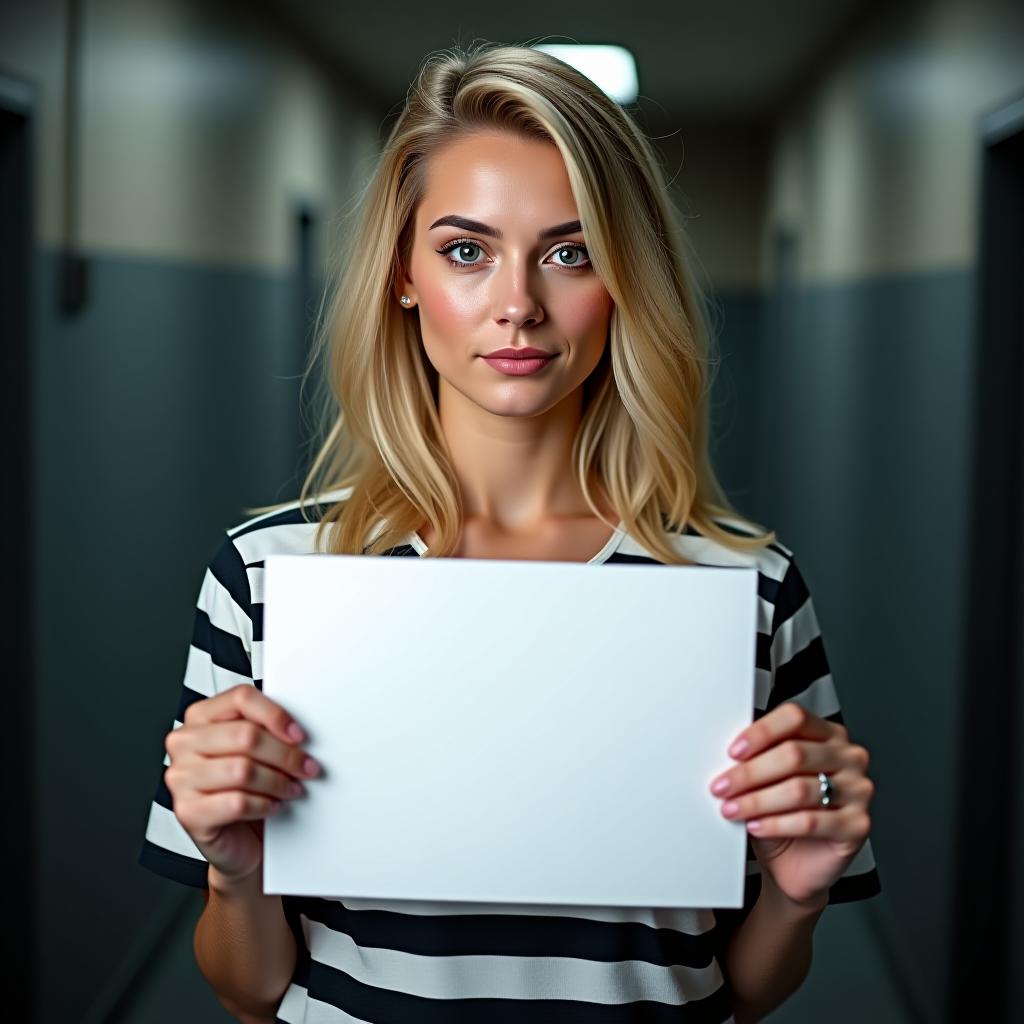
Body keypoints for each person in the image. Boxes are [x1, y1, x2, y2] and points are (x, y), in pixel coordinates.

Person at [138, 41, 881, 1024]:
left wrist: (796, 891)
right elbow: (251, 990)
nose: (519, 304)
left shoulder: (746, 585)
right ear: (403, 273)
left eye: (569, 253)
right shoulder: (271, 575)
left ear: (625, 280)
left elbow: (742, 991)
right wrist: (236, 874)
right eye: (466, 250)